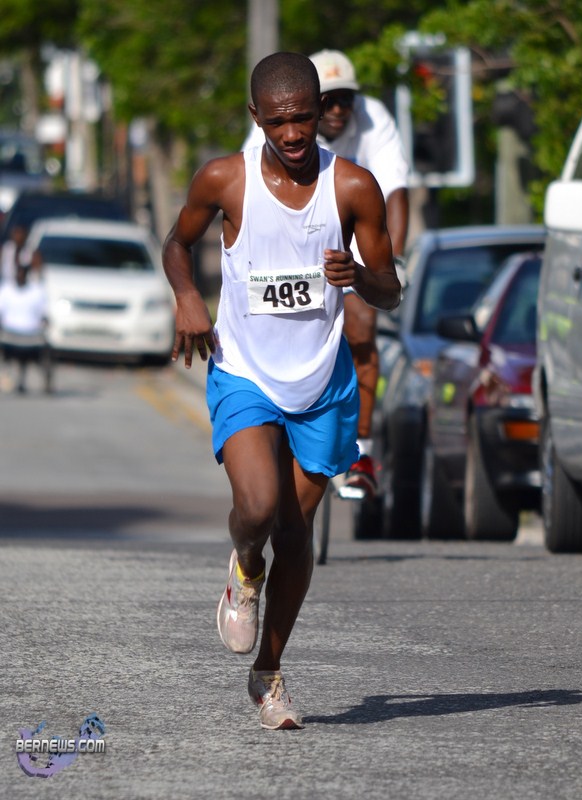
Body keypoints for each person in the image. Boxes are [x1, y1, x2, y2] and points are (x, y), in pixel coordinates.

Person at [162, 51, 400, 730]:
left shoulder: (353, 186)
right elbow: (177, 244)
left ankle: (267, 675)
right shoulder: (225, 179)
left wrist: (358, 277)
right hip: (244, 371)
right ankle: (244, 570)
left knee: (296, 537)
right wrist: (188, 298)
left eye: (303, 119)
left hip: (322, 383)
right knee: (259, 507)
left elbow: (390, 289)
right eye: (277, 122)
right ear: (255, 117)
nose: (292, 134)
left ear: (320, 112)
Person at [243, 49, 410, 496]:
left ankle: (363, 451)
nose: (337, 111)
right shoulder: (281, 112)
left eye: (345, 100)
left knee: (362, 328)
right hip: (285, 245)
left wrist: (390, 264)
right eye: (330, 100)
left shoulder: (375, 119)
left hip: (351, 242)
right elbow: (247, 195)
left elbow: (395, 193)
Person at [0, 260, 52, 393]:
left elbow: (45, 314)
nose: (20, 276)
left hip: (32, 334)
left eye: (23, 274)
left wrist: (46, 324)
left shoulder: (37, 291)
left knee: (45, 350)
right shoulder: (6, 290)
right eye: (18, 273)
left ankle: (47, 382)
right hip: (10, 333)